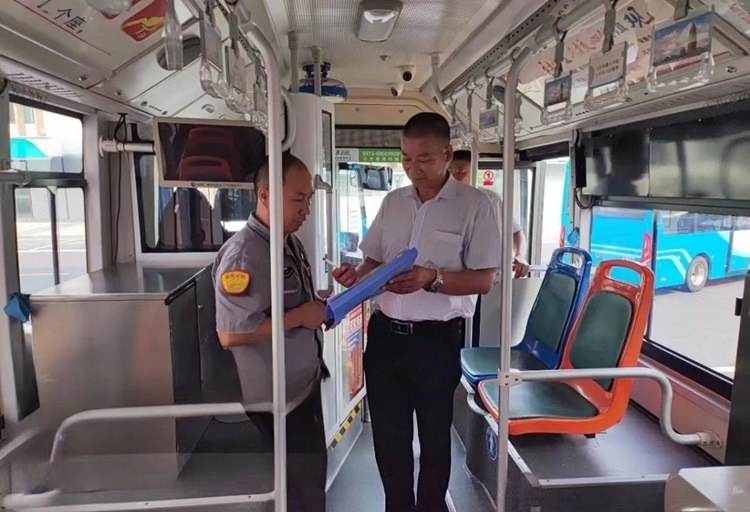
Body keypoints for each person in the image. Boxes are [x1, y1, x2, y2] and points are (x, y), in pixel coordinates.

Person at [333, 112, 502, 512]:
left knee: (434, 438)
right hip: (385, 338)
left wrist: (433, 278)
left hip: (436, 341)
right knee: (389, 438)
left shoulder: (476, 206)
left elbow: (483, 280)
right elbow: (373, 261)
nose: (413, 168)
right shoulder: (393, 202)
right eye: (406, 158)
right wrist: (356, 276)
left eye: (424, 159)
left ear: (447, 154)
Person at [212, 152, 327, 512]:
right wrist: (300, 317)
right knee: (299, 493)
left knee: (310, 484)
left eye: (309, 199)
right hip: (276, 402)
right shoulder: (244, 256)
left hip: (301, 389)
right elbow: (231, 334)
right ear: (265, 195)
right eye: (298, 199)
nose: (306, 209)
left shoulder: (287, 241)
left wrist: (318, 310)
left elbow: (293, 305)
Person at [448, 149, 529, 278]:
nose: (454, 177)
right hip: (454, 274)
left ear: (474, 171)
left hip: (489, 273)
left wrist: (520, 255)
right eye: (450, 172)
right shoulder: (440, 200)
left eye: (460, 172)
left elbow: (516, 232)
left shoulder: (492, 200)